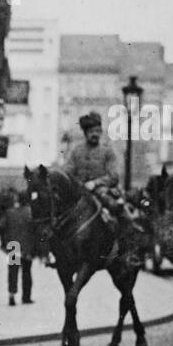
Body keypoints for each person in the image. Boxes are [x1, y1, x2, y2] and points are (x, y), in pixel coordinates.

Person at [62, 111, 140, 266]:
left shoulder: (107, 151)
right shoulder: (76, 151)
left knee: (116, 208)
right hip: (79, 192)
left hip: (102, 190)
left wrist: (96, 183)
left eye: (98, 131)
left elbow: (114, 176)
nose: (95, 134)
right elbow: (68, 172)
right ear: (85, 133)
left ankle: (129, 248)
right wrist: (76, 183)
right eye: (92, 132)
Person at [0, 189, 36, 306]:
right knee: (27, 272)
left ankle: (12, 295)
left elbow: (0, 225)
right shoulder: (30, 212)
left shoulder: (9, 213)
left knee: (13, 272)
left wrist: (4, 241)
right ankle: (26, 297)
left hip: (13, 247)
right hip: (27, 247)